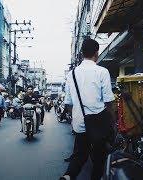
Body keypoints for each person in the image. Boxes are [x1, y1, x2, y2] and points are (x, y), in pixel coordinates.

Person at [60, 39, 115, 180]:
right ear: (96, 53)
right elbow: (109, 101)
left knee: (79, 155)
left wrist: (76, 117)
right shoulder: (102, 72)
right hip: (99, 124)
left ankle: (67, 176)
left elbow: (68, 103)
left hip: (80, 123)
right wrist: (112, 122)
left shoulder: (71, 74)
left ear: (82, 53)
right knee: (98, 159)